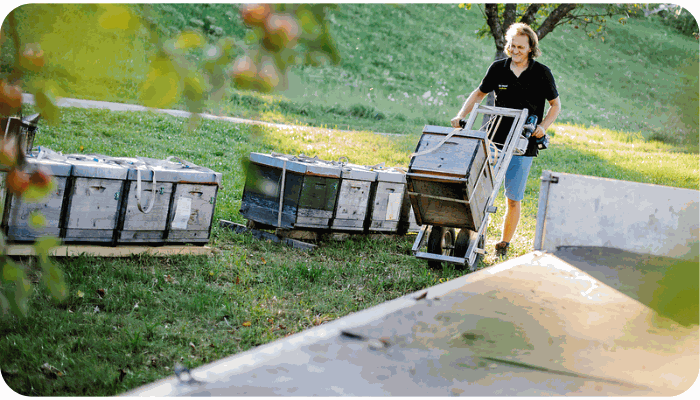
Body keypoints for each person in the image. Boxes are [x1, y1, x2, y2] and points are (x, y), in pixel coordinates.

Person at [450, 22, 561, 258]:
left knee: (513, 197)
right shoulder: (498, 69)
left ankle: (503, 244)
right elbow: (479, 93)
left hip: (523, 143)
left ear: (531, 48)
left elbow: (555, 106)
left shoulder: (542, 72)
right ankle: (475, 234)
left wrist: (542, 127)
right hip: (494, 139)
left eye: (521, 46)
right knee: (481, 189)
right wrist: (461, 115)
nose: (515, 50)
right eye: (512, 45)